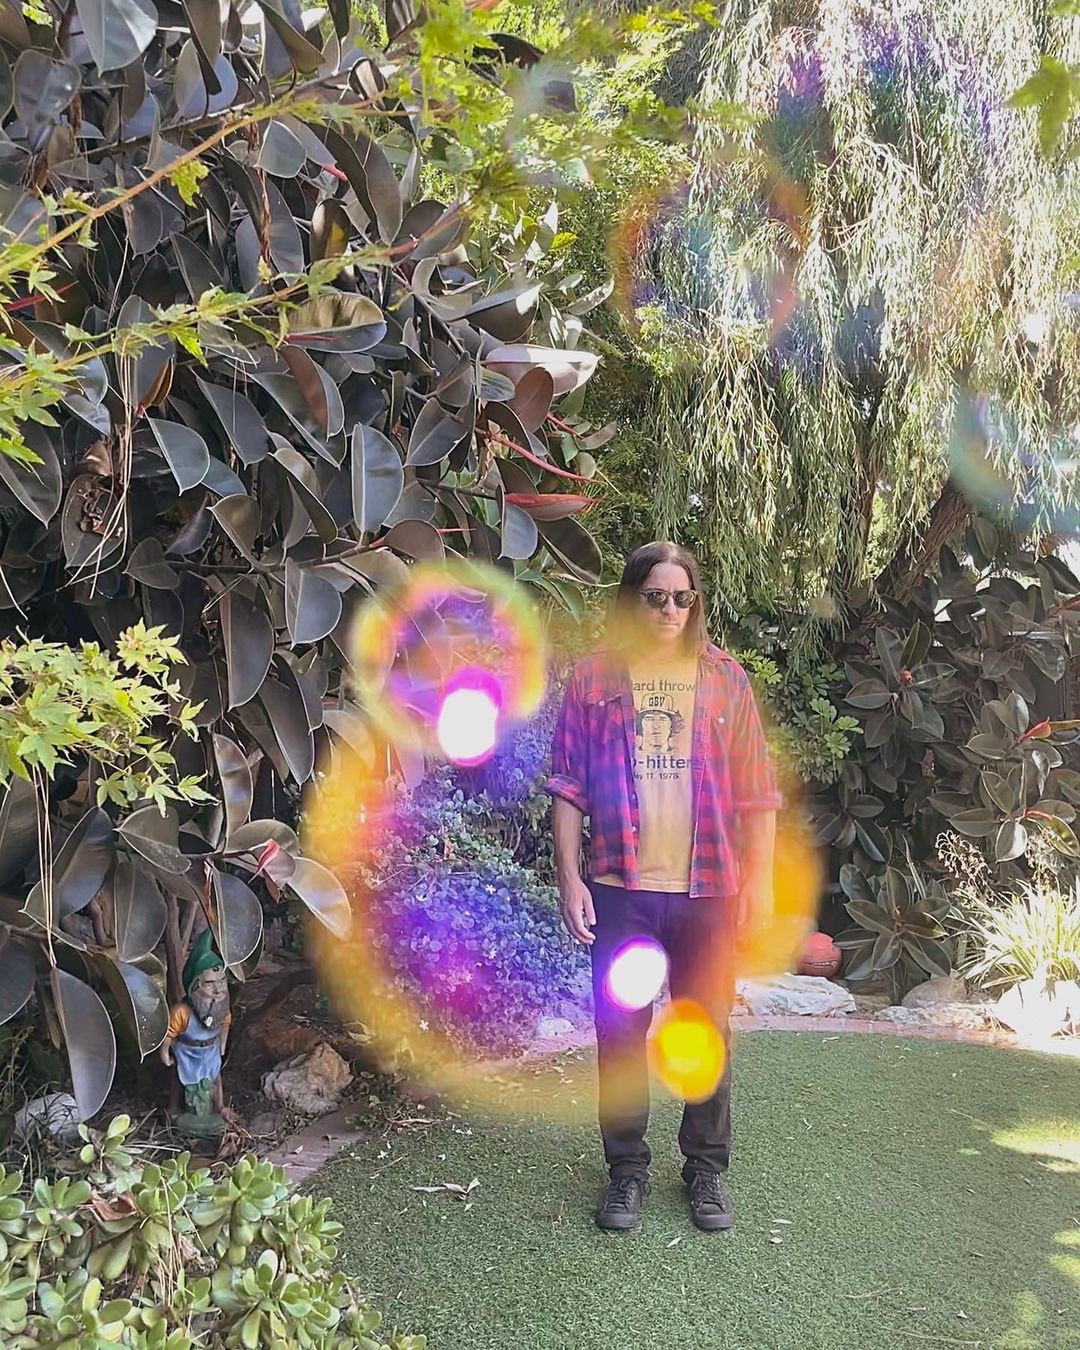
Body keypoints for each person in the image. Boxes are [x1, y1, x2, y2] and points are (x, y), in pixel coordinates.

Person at [546, 541, 780, 1232]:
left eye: (682, 597)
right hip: (620, 888)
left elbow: (758, 794)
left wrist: (760, 883)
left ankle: (705, 1171)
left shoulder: (725, 680)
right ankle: (626, 1170)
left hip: (708, 890)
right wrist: (570, 877)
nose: (670, 610)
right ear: (632, 601)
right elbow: (567, 787)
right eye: (655, 597)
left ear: (695, 603)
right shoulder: (593, 680)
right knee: (620, 1033)